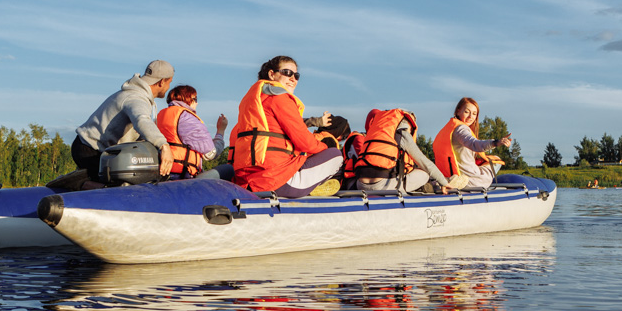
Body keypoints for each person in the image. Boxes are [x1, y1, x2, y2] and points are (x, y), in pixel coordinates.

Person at [230, 55, 343, 197]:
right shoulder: (279, 97)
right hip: (276, 182)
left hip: (247, 181)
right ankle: (312, 187)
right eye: (287, 73)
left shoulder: (252, 101)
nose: (293, 79)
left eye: (296, 75)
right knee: (335, 155)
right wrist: (324, 149)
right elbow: (305, 142)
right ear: (272, 74)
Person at [73, 60, 175, 180]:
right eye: (169, 82)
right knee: (115, 183)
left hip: (97, 150)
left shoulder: (136, 94)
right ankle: (76, 182)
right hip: (89, 149)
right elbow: (142, 120)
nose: (169, 87)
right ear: (162, 82)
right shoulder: (135, 98)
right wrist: (164, 146)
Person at [351, 108, 454, 193]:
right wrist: (443, 182)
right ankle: (422, 188)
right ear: (407, 123)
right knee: (424, 174)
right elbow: (423, 162)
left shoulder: (374, 134)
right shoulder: (402, 133)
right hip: (383, 186)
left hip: (360, 185)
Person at [432, 97, 512, 189]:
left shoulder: (449, 129)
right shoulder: (461, 129)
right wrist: (495, 143)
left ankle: (443, 182)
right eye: (467, 112)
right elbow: (474, 144)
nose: (471, 117)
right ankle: (458, 183)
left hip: (446, 174)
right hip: (467, 178)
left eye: (474, 114)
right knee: (497, 161)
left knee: (487, 160)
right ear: (458, 111)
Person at [156, 85, 229, 179]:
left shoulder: (160, 116)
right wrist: (220, 131)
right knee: (229, 170)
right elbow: (211, 153)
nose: (197, 103)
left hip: (163, 174)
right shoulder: (186, 118)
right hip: (183, 176)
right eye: (195, 99)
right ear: (188, 99)